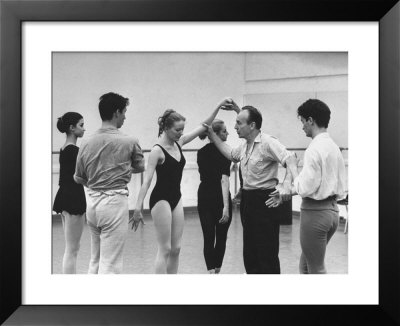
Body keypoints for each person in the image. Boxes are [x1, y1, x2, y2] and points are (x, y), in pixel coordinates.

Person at [132, 98, 234, 274]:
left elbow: (205, 125)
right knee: (165, 248)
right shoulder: (157, 150)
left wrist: (218, 105)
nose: (180, 133)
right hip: (160, 200)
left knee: (176, 248)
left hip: (176, 198)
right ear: (166, 128)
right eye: (177, 130)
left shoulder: (179, 143)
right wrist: (137, 207)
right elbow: (147, 181)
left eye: (182, 130)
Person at [205, 103, 292, 274]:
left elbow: (290, 159)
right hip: (248, 202)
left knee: (266, 253)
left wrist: (286, 183)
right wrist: (212, 135)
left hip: (266, 201)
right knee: (250, 253)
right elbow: (231, 154)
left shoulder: (268, 142)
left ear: (252, 126)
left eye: (239, 123)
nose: (235, 127)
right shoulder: (245, 145)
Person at [267, 99, 346, 274]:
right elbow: (317, 183)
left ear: (310, 120)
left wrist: (293, 166)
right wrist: (287, 192)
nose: (302, 127)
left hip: (315, 214)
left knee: (316, 270)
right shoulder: (332, 146)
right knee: (305, 266)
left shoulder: (314, 148)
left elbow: (305, 188)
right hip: (332, 213)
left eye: (302, 122)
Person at [74, 92, 145, 274]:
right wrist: (121, 170)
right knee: (111, 263)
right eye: (124, 112)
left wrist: (98, 176)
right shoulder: (129, 141)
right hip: (114, 203)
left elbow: (78, 177)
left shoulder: (86, 142)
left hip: (92, 204)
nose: (125, 117)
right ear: (116, 112)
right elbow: (140, 166)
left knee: (95, 259)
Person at [197, 119, 232, 274]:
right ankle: (216, 271)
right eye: (224, 131)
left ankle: (211, 272)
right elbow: (224, 180)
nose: (228, 133)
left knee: (208, 237)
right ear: (215, 134)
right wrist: (226, 207)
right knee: (221, 237)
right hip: (219, 198)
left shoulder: (201, 152)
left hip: (204, 196)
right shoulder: (226, 152)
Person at [53, 112, 86, 274]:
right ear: (72, 128)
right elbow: (79, 177)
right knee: (72, 249)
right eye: (81, 125)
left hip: (64, 195)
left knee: (71, 248)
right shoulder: (75, 150)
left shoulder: (64, 148)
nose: (84, 129)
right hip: (73, 198)